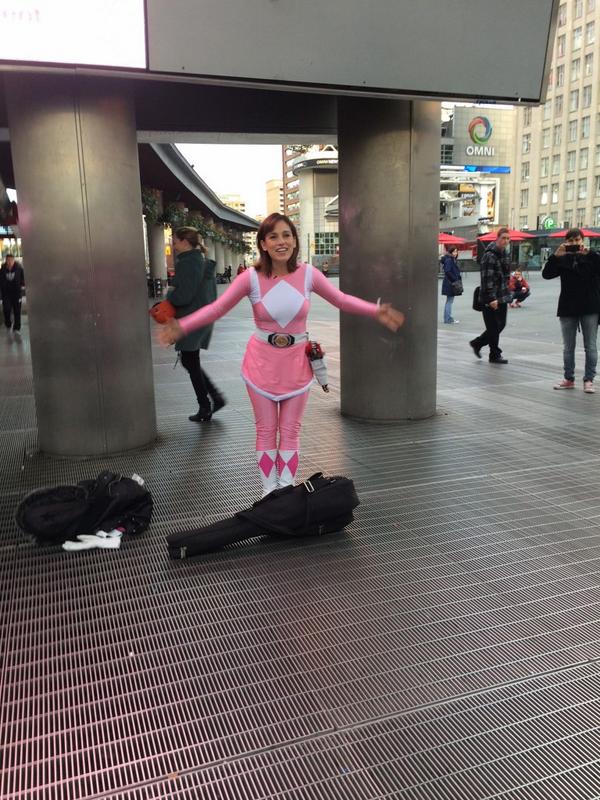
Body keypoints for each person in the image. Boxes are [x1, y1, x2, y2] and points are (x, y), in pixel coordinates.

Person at [159, 212, 404, 497]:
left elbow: (341, 299)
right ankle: (268, 492)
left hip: (297, 364)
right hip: (261, 363)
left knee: (290, 430)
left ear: (294, 240)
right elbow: (217, 309)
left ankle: (285, 490)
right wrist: (181, 326)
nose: (281, 241)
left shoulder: (309, 274)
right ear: (263, 243)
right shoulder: (250, 278)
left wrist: (375, 310)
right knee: (266, 430)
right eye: (273, 236)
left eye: (286, 235)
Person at [168, 227, 226, 422]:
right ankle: (213, 399)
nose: (173, 245)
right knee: (190, 361)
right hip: (202, 317)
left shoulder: (187, 263)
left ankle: (206, 405)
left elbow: (183, 295)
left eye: (174, 241)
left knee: (190, 361)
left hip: (190, 319)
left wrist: (170, 296)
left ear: (185, 241)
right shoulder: (201, 261)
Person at [542, 227, 600, 393]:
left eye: (577, 240)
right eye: (571, 241)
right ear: (566, 242)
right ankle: (569, 378)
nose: (574, 244)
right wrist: (555, 256)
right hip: (568, 307)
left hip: (590, 306)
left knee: (591, 346)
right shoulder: (562, 259)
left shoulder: (591, 257)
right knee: (568, 346)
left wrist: (591, 254)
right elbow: (547, 274)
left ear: (583, 241)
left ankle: (589, 380)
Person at [469, 227, 511, 364]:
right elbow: (487, 279)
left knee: (500, 324)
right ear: (497, 238)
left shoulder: (504, 254)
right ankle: (494, 354)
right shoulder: (490, 255)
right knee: (494, 327)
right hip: (490, 297)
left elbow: (505, 276)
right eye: (503, 238)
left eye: (507, 238)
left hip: (502, 295)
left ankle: (478, 343)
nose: (506, 241)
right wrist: (491, 298)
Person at [0, 254, 25, 332]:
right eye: (8, 260)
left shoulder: (19, 268)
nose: (9, 262)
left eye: (11, 260)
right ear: (6, 261)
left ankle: (17, 327)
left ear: (14, 260)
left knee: (17, 310)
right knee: (6, 309)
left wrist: (22, 285)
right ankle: (8, 323)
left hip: (16, 294)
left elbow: (23, 278)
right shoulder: (2, 269)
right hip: (6, 294)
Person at [440, 246, 461, 324]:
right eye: (454, 251)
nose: (455, 253)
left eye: (456, 251)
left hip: (449, 282)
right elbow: (447, 271)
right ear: (450, 252)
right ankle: (448, 319)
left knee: (449, 301)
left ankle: (448, 318)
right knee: (449, 301)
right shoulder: (449, 260)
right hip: (450, 283)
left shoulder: (451, 259)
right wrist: (454, 279)